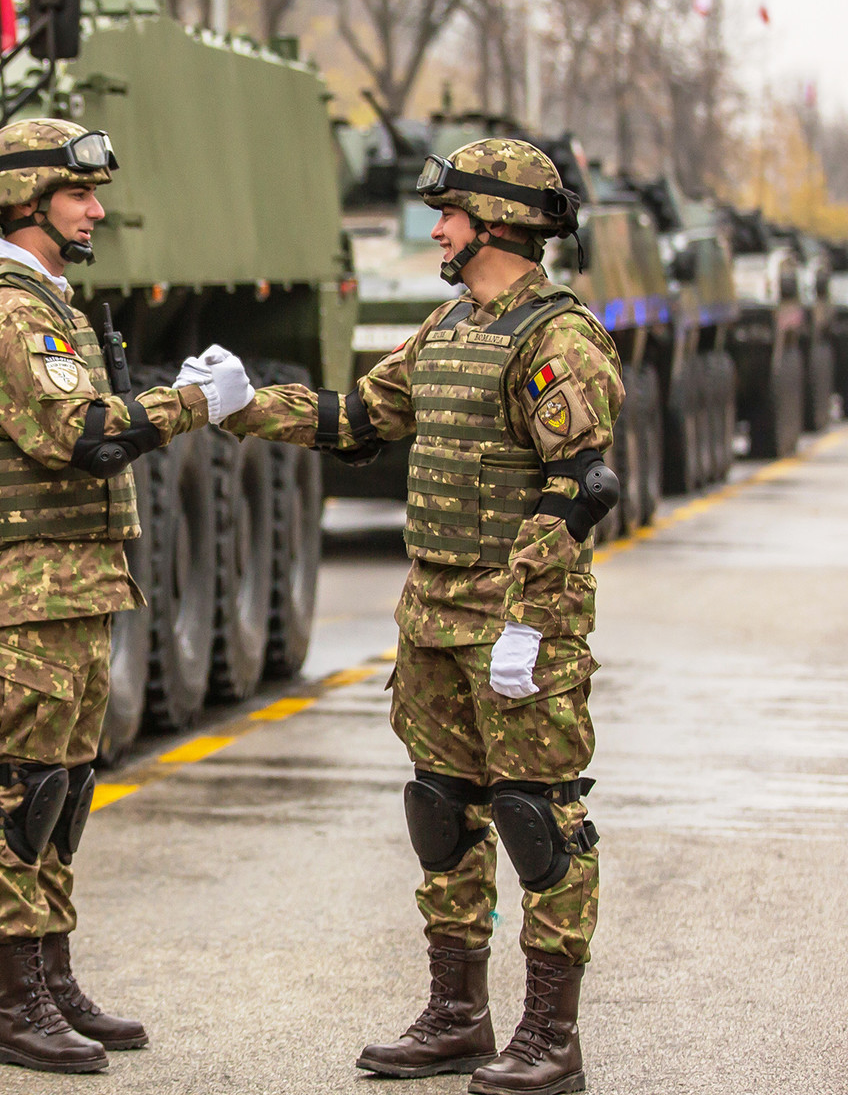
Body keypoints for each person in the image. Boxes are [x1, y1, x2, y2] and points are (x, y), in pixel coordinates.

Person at [207, 139, 620, 1095]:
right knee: (443, 811)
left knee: (539, 819)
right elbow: (357, 420)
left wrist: (529, 622)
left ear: (497, 222)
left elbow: (581, 486)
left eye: (449, 215)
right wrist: (242, 405)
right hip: (432, 611)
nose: (434, 229)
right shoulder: (447, 329)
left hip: (516, 625)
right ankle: (457, 1016)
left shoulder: (557, 340)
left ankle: (550, 1039)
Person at [0, 118, 235, 1073]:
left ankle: (53, 980)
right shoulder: (8, 310)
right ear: (27, 202)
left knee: (64, 791)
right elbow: (80, 434)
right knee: (22, 791)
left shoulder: (52, 303)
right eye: (78, 196)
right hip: (26, 586)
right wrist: (189, 401)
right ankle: (13, 1004)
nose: (96, 209)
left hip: (68, 581)